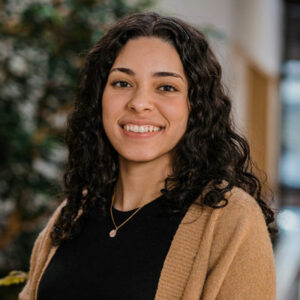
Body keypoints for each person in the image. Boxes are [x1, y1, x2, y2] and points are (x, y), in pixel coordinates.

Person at [19, 11, 276, 300]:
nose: (139, 103)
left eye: (166, 87)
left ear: (196, 106)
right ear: (99, 98)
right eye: (122, 83)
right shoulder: (72, 212)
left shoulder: (231, 221)